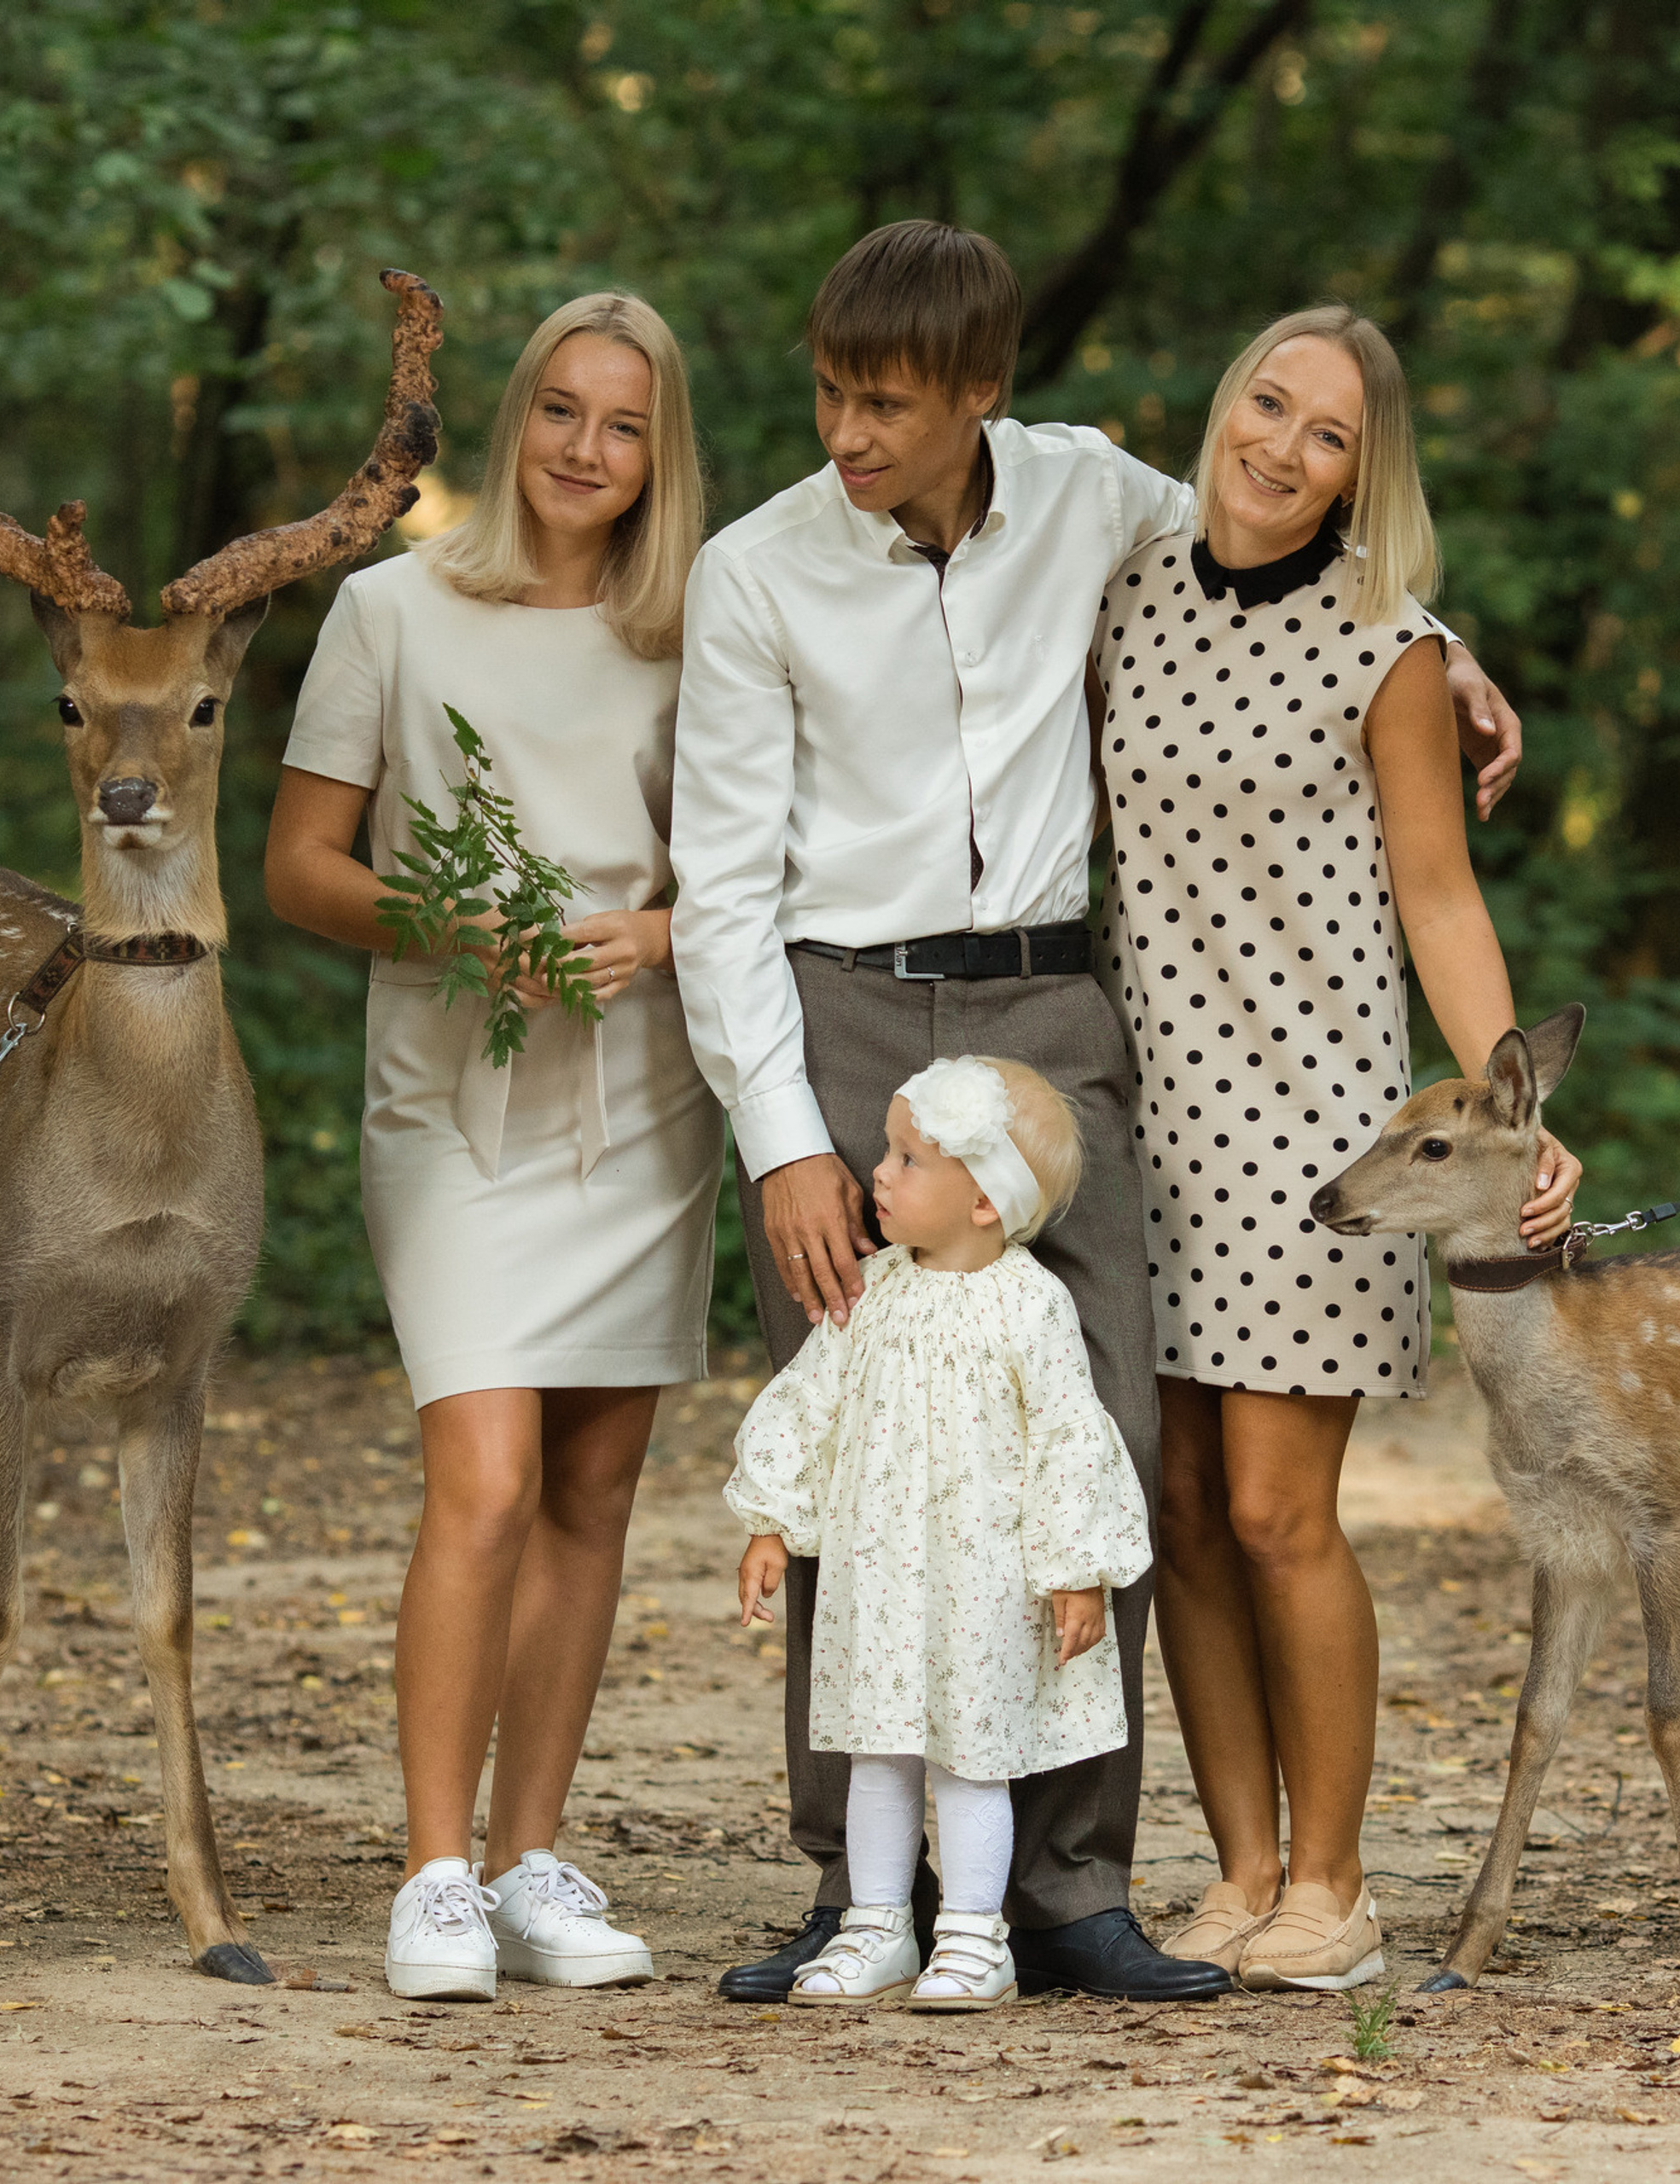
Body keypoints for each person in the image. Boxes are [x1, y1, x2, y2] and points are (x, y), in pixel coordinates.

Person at [670, 219, 1526, 2004]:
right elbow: (721, 886)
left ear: (983, 392)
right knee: (867, 1452)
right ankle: (860, 1885)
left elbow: (1297, 550)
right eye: (830, 393)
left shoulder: (1087, 498)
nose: (848, 431)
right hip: (845, 1013)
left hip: (1063, 1015)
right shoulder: (757, 570)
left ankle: (1066, 1886)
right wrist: (780, 1140)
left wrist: (1438, 658)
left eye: (887, 401)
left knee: (1103, 1454)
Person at [1092, 305, 1580, 1990]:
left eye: (1330, 439)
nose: (1283, 449)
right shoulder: (1125, 584)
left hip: (1311, 1129)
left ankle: (1335, 1879)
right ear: (1218, 400)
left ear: (1365, 480)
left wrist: (1506, 1105)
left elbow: (1437, 890)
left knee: (1274, 1509)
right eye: (1266, 404)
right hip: (1137, 1111)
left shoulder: (1389, 649)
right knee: (1175, 1510)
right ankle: (1236, 1869)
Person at [264, 292, 723, 2001]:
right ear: (511, 417)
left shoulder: (697, 624)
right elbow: (301, 866)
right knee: (487, 1474)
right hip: (451, 1099)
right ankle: (433, 1867)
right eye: (559, 412)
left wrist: (656, 938)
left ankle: (532, 1854)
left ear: (658, 453)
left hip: (641, 1094)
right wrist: (460, 928)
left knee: (594, 1485)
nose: (586, 453)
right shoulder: (391, 609)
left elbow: (752, 866)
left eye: (624, 427)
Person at [724, 1058, 1151, 2013]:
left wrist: (1077, 1568)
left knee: (970, 1753)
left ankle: (973, 1933)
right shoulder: (870, 1291)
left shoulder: (1030, 1304)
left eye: (908, 1158)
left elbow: (1071, 1435)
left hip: (981, 1580)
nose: (877, 1171)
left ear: (984, 1203)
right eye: (889, 1148)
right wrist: (770, 1520)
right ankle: (877, 1923)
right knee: (877, 1750)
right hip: (878, 1573)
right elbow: (808, 1405)